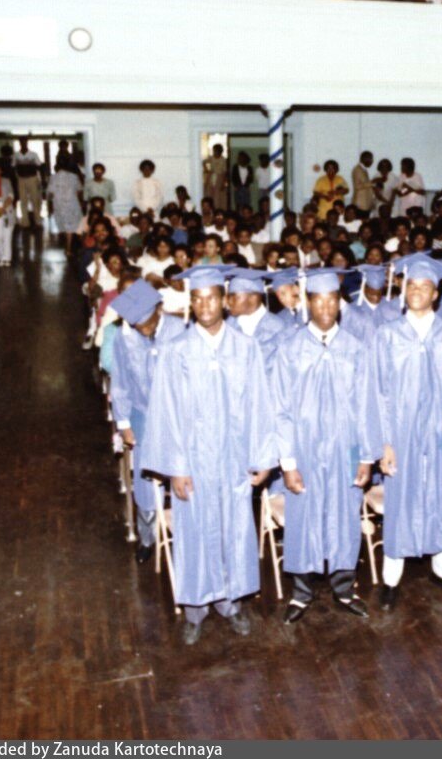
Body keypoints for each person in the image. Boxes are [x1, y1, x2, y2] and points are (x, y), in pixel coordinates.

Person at [141, 267, 276, 643]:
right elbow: (166, 411)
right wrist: (176, 467)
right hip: (193, 461)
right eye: (197, 299)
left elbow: (259, 403)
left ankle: (232, 603)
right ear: (191, 302)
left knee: (235, 529)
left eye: (211, 298)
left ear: (225, 302)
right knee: (195, 532)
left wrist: (263, 457)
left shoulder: (246, 348)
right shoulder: (176, 351)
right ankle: (195, 609)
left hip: (234, 459)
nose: (204, 306)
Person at [271, 267, 381, 624]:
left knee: (344, 515)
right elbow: (280, 408)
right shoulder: (290, 348)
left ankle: (344, 587)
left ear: (339, 303)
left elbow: (367, 405)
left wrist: (366, 457)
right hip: (303, 448)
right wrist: (287, 463)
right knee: (302, 516)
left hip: (345, 448)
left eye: (332, 301)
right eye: (318, 301)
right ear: (307, 302)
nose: (325, 308)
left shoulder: (356, 349)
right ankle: (301, 592)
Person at [374, 254, 442, 609]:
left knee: (441, 498)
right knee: (399, 502)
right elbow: (378, 392)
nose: (417, 292)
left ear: (436, 294)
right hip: (400, 434)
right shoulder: (387, 335)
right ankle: (391, 578)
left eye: (425, 287)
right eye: (412, 286)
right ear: (404, 291)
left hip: (441, 431)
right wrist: (384, 442)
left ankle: (440, 567)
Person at [107, 280, 188, 563]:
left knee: (181, 474)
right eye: (137, 326)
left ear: (159, 310)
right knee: (145, 483)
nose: (143, 330)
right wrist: (124, 423)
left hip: (178, 416)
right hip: (143, 415)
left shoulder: (181, 331)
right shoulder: (125, 336)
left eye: (148, 324)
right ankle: (147, 537)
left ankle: (183, 535)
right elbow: (120, 382)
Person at [225, 268, 288, 365]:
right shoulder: (228, 326)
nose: (228, 302)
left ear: (253, 298)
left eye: (234, 297)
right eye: (228, 297)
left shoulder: (279, 328)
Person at [47, 162, 84, 252]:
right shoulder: (74, 176)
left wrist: (50, 205)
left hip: (59, 205)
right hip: (72, 204)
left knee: (66, 226)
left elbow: (50, 193)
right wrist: (81, 203)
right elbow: (79, 191)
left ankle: (69, 248)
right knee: (75, 226)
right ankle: (74, 247)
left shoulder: (53, 177)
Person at [12, 138, 43, 234]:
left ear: (27, 143)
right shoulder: (16, 155)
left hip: (32, 179)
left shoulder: (33, 154)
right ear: (19, 143)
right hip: (21, 179)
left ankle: (37, 221)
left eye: (25, 142)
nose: (23, 143)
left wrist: (41, 180)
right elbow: (13, 167)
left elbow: (39, 166)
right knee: (23, 200)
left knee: (35, 200)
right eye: (21, 142)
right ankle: (25, 222)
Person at [203, 144, 228, 211]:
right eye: (214, 150)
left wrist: (224, 183)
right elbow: (204, 162)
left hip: (219, 178)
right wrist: (207, 170)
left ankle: (217, 211)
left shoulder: (223, 160)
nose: (215, 152)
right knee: (209, 195)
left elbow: (225, 173)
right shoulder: (211, 158)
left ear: (220, 151)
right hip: (211, 177)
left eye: (217, 151)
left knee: (218, 197)